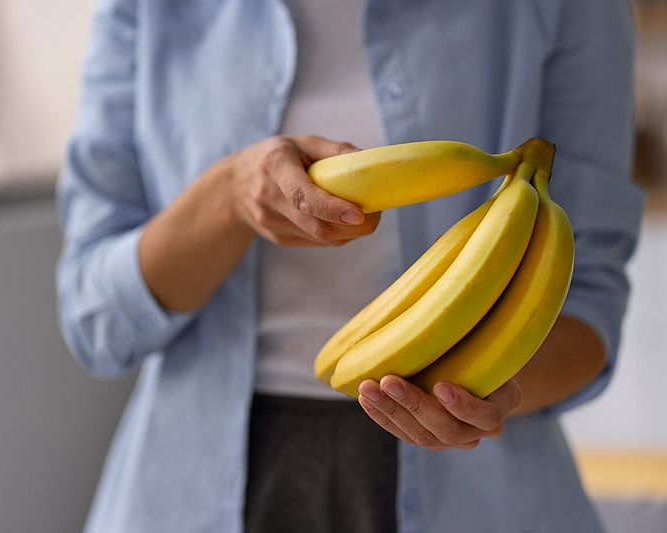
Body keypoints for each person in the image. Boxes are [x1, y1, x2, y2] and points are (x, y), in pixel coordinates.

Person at [55, 0, 645, 531]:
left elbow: (588, 306)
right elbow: (96, 317)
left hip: (476, 487)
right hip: (196, 485)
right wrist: (229, 197)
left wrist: (492, 385)